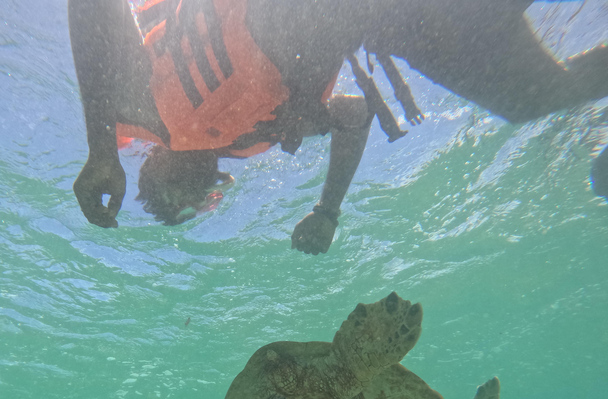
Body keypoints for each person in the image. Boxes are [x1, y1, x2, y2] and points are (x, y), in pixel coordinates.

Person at [68, 0, 608, 254]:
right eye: (202, 207)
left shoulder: (141, 106)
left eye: (178, 203)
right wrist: (327, 211)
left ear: (150, 165)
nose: (201, 196)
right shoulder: (248, 139)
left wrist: (100, 151)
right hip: (385, 18)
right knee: (531, 97)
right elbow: (354, 115)